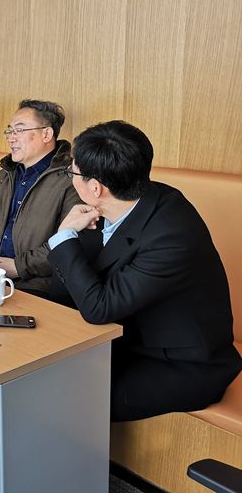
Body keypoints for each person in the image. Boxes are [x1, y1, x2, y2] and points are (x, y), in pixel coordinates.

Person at [47, 120, 242, 421]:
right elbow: (69, 288)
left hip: (180, 363)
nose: (71, 179)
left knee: (68, 397)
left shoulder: (171, 235)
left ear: (96, 187)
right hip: (127, 336)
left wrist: (64, 236)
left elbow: (99, 308)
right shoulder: (117, 204)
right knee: (40, 374)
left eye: (72, 173)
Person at [0, 100, 80, 295]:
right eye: (9, 131)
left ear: (46, 134)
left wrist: (19, 266)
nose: (11, 138)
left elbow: (68, 241)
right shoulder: (3, 176)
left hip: (38, 282)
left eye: (19, 130)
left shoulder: (72, 180)